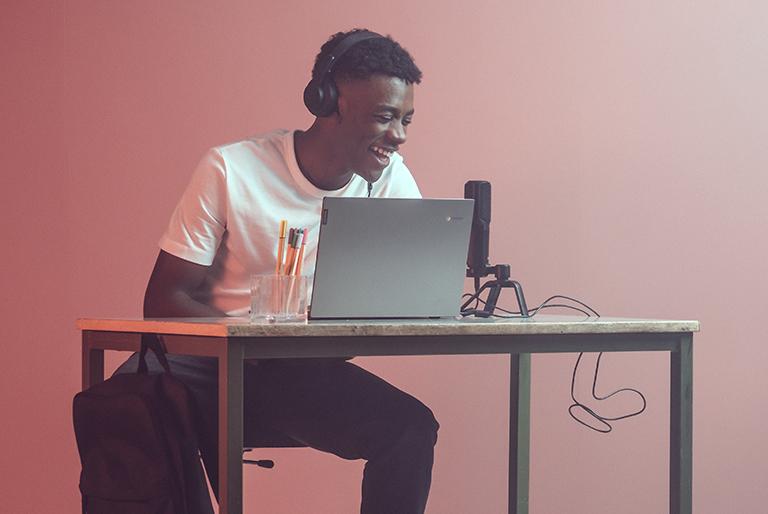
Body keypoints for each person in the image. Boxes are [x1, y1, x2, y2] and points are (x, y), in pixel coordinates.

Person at [115, 29, 439, 514]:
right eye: (384, 117)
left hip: (302, 369)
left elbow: (408, 289)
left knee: (410, 429)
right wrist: (255, 341)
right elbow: (164, 299)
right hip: (218, 369)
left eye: (406, 119)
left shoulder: (390, 177)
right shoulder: (232, 168)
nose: (399, 136)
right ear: (328, 103)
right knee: (130, 406)